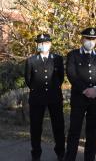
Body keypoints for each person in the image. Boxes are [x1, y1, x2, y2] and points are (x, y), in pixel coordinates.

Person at [64, 27, 96, 161]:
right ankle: (70, 158)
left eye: (93, 39)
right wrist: (85, 90)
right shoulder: (73, 55)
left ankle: (90, 158)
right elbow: (72, 74)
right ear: (82, 39)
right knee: (74, 131)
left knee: (93, 132)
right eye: (88, 38)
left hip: (95, 98)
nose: (90, 41)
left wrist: (95, 88)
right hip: (79, 98)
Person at [24, 33, 65, 161]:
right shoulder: (31, 60)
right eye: (40, 43)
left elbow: (61, 77)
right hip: (37, 97)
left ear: (50, 44)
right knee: (35, 128)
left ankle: (60, 153)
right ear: (37, 45)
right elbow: (28, 79)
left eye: (46, 43)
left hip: (54, 97)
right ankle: (36, 154)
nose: (43, 45)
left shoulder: (57, 59)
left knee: (58, 126)